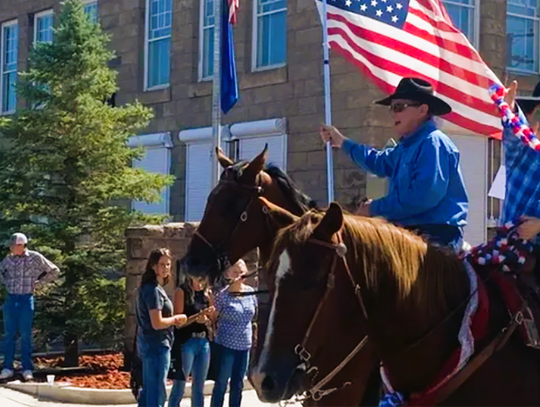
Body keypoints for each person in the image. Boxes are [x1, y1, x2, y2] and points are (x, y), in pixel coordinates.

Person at [320, 77, 469, 249]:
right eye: (392, 108)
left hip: (437, 234)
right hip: (410, 232)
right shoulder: (406, 147)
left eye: (399, 107)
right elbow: (378, 161)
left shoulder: (432, 143)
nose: (393, 113)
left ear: (422, 110)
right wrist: (342, 141)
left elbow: (422, 197)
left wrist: (374, 208)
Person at [0, 233, 60, 382]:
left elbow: (54, 270)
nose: (11, 247)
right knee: (9, 334)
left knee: (26, 334)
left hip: (26, 298)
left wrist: (40, 283)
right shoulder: (8, 260)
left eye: (14, 245)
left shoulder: (34, 257)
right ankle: (7, 367)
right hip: (11, 298)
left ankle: (27, 368)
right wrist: (6, 282)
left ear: (21, 245)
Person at [135, 248, 186, 407]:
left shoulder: (150, 287)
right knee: (157, 393)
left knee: (148, 391)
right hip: (156, 345)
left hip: (150, 344)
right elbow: (157, 323)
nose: (165, 268)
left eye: (168, 264)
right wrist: (176, 319)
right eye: (161, 264)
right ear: (152, 266)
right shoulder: (153, 290)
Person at [211, 260, 257, 407]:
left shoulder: (251, 292)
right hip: (226, 345)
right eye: (235, 272)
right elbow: (214, 318)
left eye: (242, 272)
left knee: (238, 384)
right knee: (221, 383)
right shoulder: (222, 296)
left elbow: (254, 316)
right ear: (228, 274)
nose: (239, 275)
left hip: (245, 346)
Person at [169, 275, 214, 407]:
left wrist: (206, 320)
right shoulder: (181, 291)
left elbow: (213, 320)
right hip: (187, 342)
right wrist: (196, 317)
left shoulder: (208, 293)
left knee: (199, 386)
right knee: (180, 385)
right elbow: (178, 323)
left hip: (203, 341)